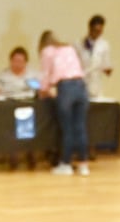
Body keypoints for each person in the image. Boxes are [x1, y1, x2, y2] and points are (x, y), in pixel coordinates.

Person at [39, 29, 91, 176]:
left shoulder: (47, 51)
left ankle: (66, 163)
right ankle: (83, 165)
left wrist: (43, 90)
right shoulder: (69, 48)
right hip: (81, 86)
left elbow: (46, 74)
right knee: (80, 127)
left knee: (66, 128)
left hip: (66, 88)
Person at [78, 14, 113, 99]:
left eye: (100, 31)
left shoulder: (104, 45)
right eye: (95, 30)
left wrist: (107, 68)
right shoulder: (80, 44)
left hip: (96, 84)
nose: (98, 33)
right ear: (90, 28)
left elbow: (107, 66)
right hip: (82, 82)